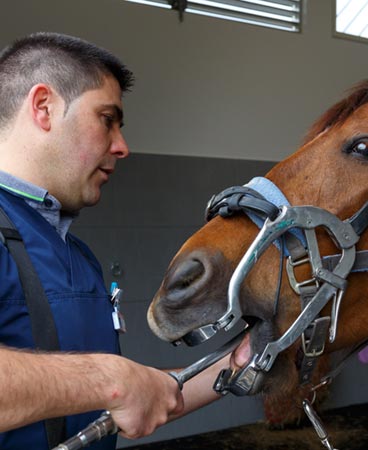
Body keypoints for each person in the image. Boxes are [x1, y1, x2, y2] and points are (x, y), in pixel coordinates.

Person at [0, 32, 227, 450]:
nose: (122, 147)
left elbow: (135, 400)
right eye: (107, 119)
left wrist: (240, 363)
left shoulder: (79, 257)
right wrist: (112, 381)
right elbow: (117, 387)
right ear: (43, 107)